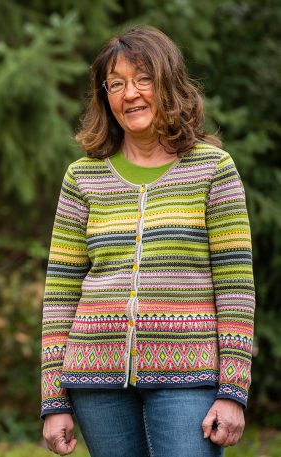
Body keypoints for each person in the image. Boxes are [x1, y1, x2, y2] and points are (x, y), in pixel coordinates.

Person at [40, 25, 255, 457]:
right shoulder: (83, 177)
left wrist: (233, 389)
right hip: (95, 381)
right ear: (105, 97)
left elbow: (236, 288)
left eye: (143, 79)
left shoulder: (213, 170)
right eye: (116, 84)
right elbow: (60, 292)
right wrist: (53, 400)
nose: (130, 94)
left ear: (169, 85)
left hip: (189, 377)